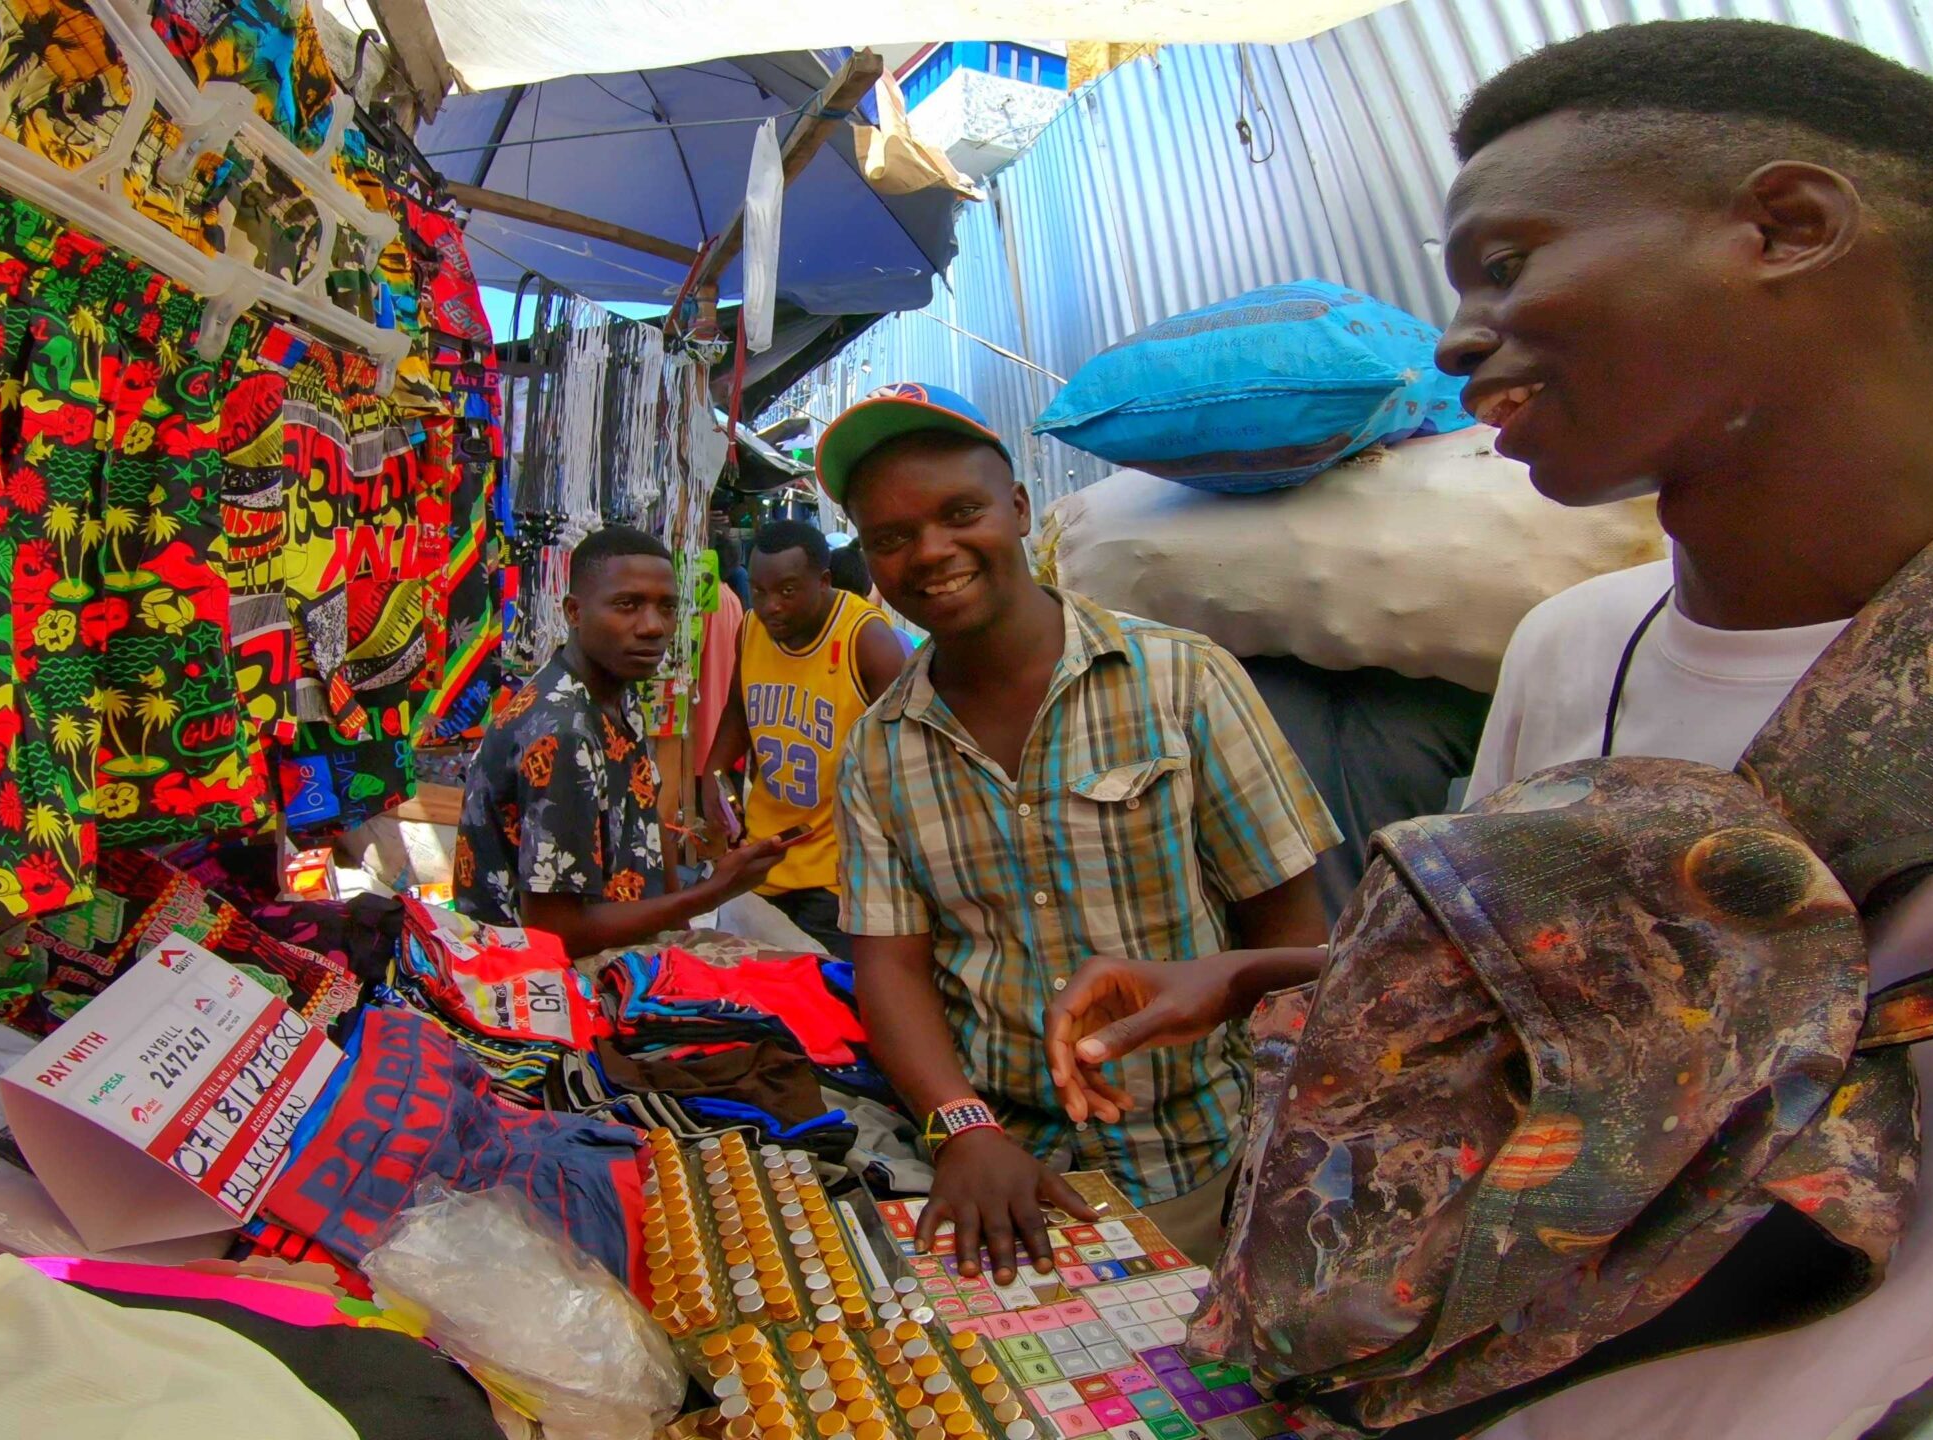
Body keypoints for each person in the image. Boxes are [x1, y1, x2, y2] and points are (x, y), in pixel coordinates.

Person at [1046, 20, 1933, 1440]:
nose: (1454, 338)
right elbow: (1592, 1006)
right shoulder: (1575, 647)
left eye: (1505, 265)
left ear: (1788, 227)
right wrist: (1281, 968)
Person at [823, 382, 1339, 1279]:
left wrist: (1280, 1117)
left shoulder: (1181, 680)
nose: (932, 552)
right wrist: (962, 1128)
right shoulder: (877, 750)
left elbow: (1299, 935)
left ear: (1019, 508)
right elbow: (890, 965)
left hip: (1206, 1171)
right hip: (1005, 1184)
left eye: (959, 513)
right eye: (892, 538)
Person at [454, 526, 796, 955]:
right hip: (540, 977)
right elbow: (557, 932)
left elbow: (648, 821)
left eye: (666, 607)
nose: (653, 627)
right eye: (627, 605)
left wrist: (681, 935)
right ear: (574, 612)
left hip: (626, 949)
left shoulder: (616, 690)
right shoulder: (562, 732)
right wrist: (712, 891)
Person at [698, 519, 908, 959]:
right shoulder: (752, 628)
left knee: (830, 1002)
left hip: (835, 879)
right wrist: (712, 775)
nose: (771, 606)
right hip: (763, 862)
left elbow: (906, 761)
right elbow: (739, 707)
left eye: (788, 592)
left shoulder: (866, 640)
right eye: (759, 591)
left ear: (824, 582)